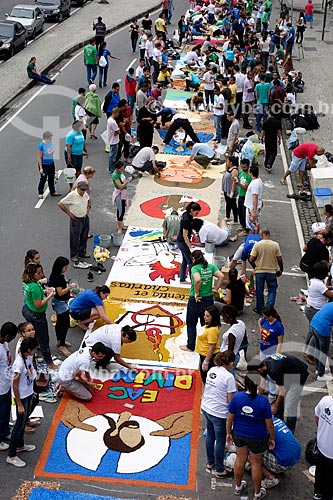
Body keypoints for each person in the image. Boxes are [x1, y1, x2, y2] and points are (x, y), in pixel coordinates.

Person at [227, 375, 275, 500]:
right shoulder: (263, 401)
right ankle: (257, 494)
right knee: (256, 464)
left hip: (239, 434)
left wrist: (228, 433)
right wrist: (272, 438)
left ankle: (238, 488)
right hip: (258, 437)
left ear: (245, 384)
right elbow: (270, 425)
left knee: (240, 459)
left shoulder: (237, 397)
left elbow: (229, 419)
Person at [201, 351, 237, 478]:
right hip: (219, 413)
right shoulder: (229, 377)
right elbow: (231, 400)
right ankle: (220, 469)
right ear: (231, 363)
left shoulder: (212, 370)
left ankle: (210, 462)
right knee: (220, 441)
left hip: (206, 407)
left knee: (210, 435)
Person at [254, 353, 309, 433]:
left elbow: (282, 391)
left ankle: (289, 432)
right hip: (287, 373)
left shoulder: (274, 371)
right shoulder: (265, 363)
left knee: (291, 406)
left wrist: (275, 406)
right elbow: (262, 384)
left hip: (299, 375)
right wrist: (256, 400)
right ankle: (279, 423)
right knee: (279, 399)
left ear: (260, 370)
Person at [180, 250, 223, 352]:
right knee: (206, 323)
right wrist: (216, 288)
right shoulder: (210, 267)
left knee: (191, 323)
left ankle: (190, 345)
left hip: (196, 300)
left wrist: (196, 292)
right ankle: (208, 344)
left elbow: (198, 280)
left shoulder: (195, 268)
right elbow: (221, 276)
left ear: (194, 259)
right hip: (208, 298)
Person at [6, 337, 38, 468]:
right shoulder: (18, 364)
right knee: (19, 425)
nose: (36, 351)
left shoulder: (28, 356)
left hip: (28, 393)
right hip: (22, 397)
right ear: (29, 349)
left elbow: (29, 374)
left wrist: (32, 389)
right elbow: (14, 385)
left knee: (23, 421)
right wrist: (19, 404)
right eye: (34, 349)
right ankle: (11, 455)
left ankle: (20, 445)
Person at [22, 263, 56, 370]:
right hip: (37, 314)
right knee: (44, 338)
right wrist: (50, 295)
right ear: (32, 274)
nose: (41, 275)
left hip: (27, 308)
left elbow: (33, 296)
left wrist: (44, 291)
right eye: (38, 273)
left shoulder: (27, 283)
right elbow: (39, 304)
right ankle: (49, 362)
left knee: (34, 333)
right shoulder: (35, 287)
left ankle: (34, 349)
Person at [249, 229, 283, 315]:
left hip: (260, 271)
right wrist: (281, 269)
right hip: (271, 271)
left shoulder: (257, 245)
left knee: (259, 291)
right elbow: (279, 259)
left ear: (261, 235)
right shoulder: (275, 245)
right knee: (272, 290)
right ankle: (269, 309)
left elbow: (251, 259)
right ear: (269, 234)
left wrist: (255, 267)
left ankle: (260, 309)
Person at [261, 417, 301, 490]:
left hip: (284, 462)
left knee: (252, 455)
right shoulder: (277, 420)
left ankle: (271, 479)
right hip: (295, 456)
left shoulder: (263, 428)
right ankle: (275, 467)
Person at [58, 182, 91, 266]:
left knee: (84, 236)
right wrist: (69, 213)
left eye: (84, 191)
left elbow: (88, 199)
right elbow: (60, 204)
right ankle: (74, 255)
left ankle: (82, 252)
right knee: (75, 238)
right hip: (76, 219)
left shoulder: (85, 194)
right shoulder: (72, 195)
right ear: (77, 188)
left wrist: (88, 208)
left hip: (84, 218)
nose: (82, 192)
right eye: (81, 190)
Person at [49, 256, 76, 358]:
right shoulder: (57, 278)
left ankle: (60, 341)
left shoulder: (58, 275)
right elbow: (60, 293)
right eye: (65, 267)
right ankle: (62, 345)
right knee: (64, 324)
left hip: (61, 301)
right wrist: (70, 287)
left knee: (60, 322)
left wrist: (70, 292)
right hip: (60, 303)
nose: (66, 269)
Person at [0, 322, 18, 452]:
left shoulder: (4, 343)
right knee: (1, 414)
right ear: (6, 336)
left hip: (6, 384)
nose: (12, 340)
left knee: (5, 412)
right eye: (12, 337)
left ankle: (5, 431)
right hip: (0, 388)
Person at [176, 201, 201, 284]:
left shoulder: (187, 214)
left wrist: (193, 234)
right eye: (196, 212)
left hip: (181, 241)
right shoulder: (186, 219)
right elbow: (185, 235)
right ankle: (193, 281)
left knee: (185, 260)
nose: (197, 214)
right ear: (192, 210)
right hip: (183, 242)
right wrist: (190, 247)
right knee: (190, 262)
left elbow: (188, 228)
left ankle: (182, 279)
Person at [313, 394, 333, 500]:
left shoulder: (326, 400)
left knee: (320, 471)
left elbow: (317, 417)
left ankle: (317, 493)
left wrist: (324, 433)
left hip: (321, 446)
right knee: (330, 480)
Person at [195, 305, 221, 383]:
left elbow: (212, 347)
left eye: (207, 316)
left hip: (208, 356)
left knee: (206, 378)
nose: (205, 317)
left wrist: (206, 361)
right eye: (204, 315)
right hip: (204, 354)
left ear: (213, 317)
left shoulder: (212, 330)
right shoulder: (210, 326)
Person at [309, 302, 333, 382]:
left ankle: (318, 369)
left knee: (318, 349)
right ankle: (321, 374)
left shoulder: (330, 304)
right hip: (323, 329)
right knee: (323, 352)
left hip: (314, 324)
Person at [220, 305, 248, 372]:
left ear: (229, 318)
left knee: (229, 374)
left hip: (229, 357)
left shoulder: (231, 334)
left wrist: (227, 363)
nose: (222, 318)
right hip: (237, 353)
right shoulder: (241, 323)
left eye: (224, 317)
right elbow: (245, 341)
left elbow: (230, 351)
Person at [37, 131, 61, 199]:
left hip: (51, 163)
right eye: (50, 139)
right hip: (44, 164)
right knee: (43, 179)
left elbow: (51, 150)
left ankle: (52, 191)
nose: (51, 140)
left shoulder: (50, 143)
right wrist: (41, 168)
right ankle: (40, 192)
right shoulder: (41, 145)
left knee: (51, 177)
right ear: (46, 138)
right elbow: (39, 157)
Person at [112, 161, 130, 234]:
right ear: (117, 169)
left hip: (123, 193)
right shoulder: (115, 175)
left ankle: (121, 225)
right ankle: (119, 227)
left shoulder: (120, 173)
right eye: (121, 169)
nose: (122, 170)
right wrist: (128, 181)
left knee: (123, 209)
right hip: (119, 193)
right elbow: (120, 186)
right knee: (120, 210)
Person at [244, 165, 263, 233]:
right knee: (254, 222)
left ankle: (254, 237)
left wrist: (254, 211)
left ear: (251, 173)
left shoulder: (255, 183)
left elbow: (255, 196)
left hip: (252, 207)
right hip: (252, 206)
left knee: (252, 224)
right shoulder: (258, 180)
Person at [222, 155, 239, 224]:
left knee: (233, 205)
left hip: (230, 190)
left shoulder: (234, 170)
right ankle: (227, 216)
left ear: (231, 162)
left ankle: (235, 220)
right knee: (228, 204)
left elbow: (234, 182)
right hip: (226, 189)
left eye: (228, 161)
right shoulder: (229, 168)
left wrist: (232, 192)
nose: (227, 162)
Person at [237, 159, 251, 234]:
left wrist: (238, 183)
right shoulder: (241, 172)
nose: (243, 168)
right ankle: (242, 226)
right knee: (240, 212)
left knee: (244, 213)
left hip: (246, 197)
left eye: (245, 167)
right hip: (240, 195)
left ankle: (246, 229)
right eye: (242, 167)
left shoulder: (249, 176)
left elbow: (246, 187)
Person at [107, 107, 121, 174]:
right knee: (113, 156)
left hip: (111, 139)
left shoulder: (110, 119)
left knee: (111, 154)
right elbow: (118, 131)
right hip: (114, 141)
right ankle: (112, 168)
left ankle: (111, 167)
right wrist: (117, 131)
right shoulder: (113, 122)